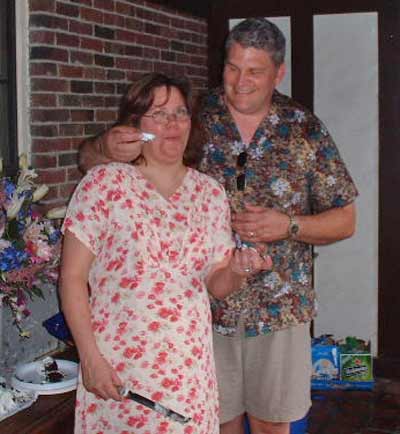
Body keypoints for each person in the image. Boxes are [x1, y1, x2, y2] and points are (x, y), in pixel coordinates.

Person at [79, 18, 358, 434]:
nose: (240, 81)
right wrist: (103, 146)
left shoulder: (305, 128)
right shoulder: (190, 114)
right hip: (198, 317)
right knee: (214, 424)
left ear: (278, 72)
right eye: (232, 67)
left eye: (254, 70)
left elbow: (346, 219)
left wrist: (289, 226)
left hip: (278, 309)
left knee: (271, 426)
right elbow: (94, 162)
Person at [60, 72, 272, 434]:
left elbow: (217, 284)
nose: (172, 123)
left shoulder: (209, 194)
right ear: (134, 125)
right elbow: (72, 277)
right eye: (159, 114)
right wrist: (90, 358)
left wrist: (239, 270)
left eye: (179, 112)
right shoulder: (104, 183)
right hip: (118, 370)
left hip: (188, 371)